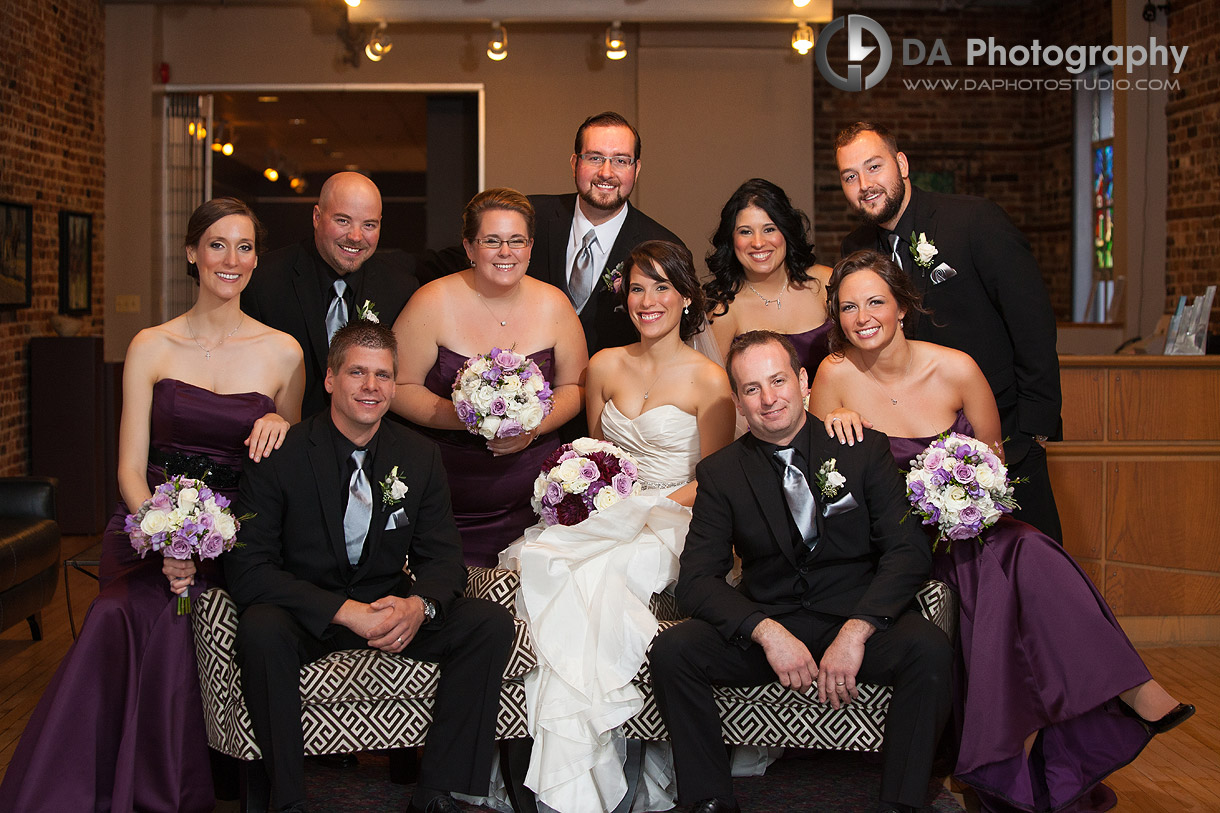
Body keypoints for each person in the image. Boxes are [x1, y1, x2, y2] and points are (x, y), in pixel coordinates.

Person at [811, 250, 1194, 813]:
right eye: (848, 306)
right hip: (892, 539)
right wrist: (833, 431)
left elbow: (992, 467)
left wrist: (964, 504)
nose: (862, 315)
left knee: (1027, 547)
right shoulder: (833, 377)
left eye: (875, 301)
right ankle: (1119, 695)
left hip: (971, 526)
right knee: (1006, 560)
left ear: (901, 305)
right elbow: (827, 489)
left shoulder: (958, 368)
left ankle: (1122, 693)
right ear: (836, 316)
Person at [0, 198, 304, 813]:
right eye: (217, 244)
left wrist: (281, 422)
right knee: (124, 611)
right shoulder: (150, 345)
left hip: (235, 536)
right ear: (191, 252)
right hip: (146, 526)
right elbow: (128, 470)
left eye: (244, 247)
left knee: (185, 617)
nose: (231, 259)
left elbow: (285, 474)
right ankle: (91, 786)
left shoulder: (285, 354)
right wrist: (167, 539)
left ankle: (169, 790)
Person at [649, 330, 953, 813]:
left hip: (855, 615)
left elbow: (907, 551)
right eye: (752, 389)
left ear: (803, 380)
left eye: (778, 381)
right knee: (673, 651)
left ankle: (902, 803)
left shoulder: (861, 449)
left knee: (930, 651)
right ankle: (708, 800)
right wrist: (766, 632)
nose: (769, 399)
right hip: (772, 621)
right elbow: (698, 580)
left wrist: (857, 632)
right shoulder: (722, 473)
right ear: (738, 401)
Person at [224, 321, 516, 813]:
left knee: (487, 624)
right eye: (357, 372)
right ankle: (287, 799)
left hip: (387, 606)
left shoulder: (419, 456)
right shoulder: (281, 454)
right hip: (308, 612)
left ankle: (437, 792)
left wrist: (418, 606)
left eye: (382, 375)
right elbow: (249, 569)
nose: (371, 386)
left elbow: (443, 556)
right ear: (330, 380)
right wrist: (342, 611)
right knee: (260, 630)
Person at [499, 240, 735, 813]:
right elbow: (595, 458)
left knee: (605, 573)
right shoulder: (602, 366)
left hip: (677, 520)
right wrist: (592, 500)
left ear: (685, 297)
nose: (648, 300)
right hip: (612, 514)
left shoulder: (711, 381)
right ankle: (562, 759)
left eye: (662, 287)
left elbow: (715, 481)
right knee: (547, 563)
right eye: (637, 287)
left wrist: (641, 514)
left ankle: (594, 765)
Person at [836, 121, 1063, 543]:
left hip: (1002, 434)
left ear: (901, 164)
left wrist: (1036, 428)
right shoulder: (856, 248)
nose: (865, 185)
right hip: (909, 447)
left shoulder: (974, 221)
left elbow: (1032, 322)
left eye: (873, 167)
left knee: (1023, 561)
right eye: (851, 176)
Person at [391, 188, 587, 566]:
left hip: (532, 498)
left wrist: (530, 427)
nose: (505, 252)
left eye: (516, 241)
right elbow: (397, 387)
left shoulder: (555, 304)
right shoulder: (432, 301)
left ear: (530, 247)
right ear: (468, 246)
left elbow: (575, 387)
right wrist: (471, 419)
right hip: (447, 497)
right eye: (491, 241)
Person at [242, 170, 419, 419]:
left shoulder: (400, 289)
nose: (356, 237)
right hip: (285, 438)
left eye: (369, 225)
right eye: (343, 221)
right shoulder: (264, 282)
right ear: (316, 217)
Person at [528, 111, 685, 357]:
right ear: (574, 163)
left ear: (637, 169)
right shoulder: (530, 218)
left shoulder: (661, 245)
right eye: (594, 158)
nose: (606, 172)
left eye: (621, 160)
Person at [704, 178, 834, 378]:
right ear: (731, 239)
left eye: (769, 229)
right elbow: (715, 393)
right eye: (746, 232)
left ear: (786, 231)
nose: (758, 243)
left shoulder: (826, 282)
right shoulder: (724, 311)